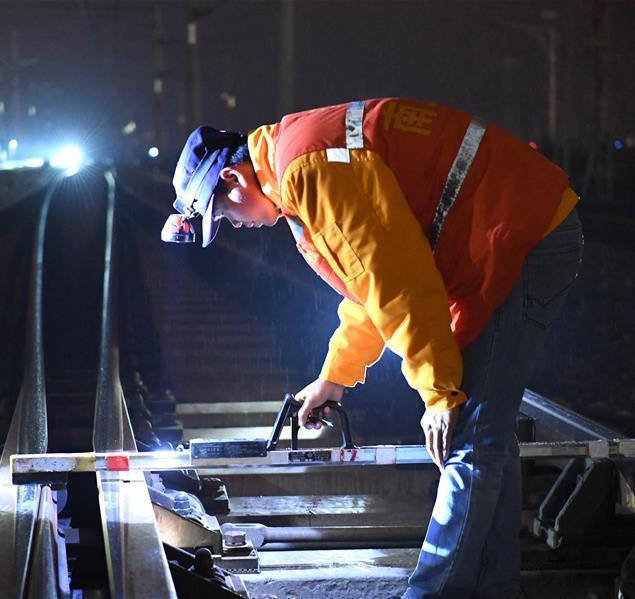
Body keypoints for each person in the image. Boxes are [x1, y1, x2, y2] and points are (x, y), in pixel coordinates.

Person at [160, 98, 583, 598]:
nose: (237, 225)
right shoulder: (298, 165)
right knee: (483, 431)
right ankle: (493, 586)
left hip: (519, 229)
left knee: (468, 432)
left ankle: (437, 591)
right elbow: (371, 286)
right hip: (504, 228)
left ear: (233, 178)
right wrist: (334, 376)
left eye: (226, 216)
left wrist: (438, 393)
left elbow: (396, 282)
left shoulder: (308, 171)